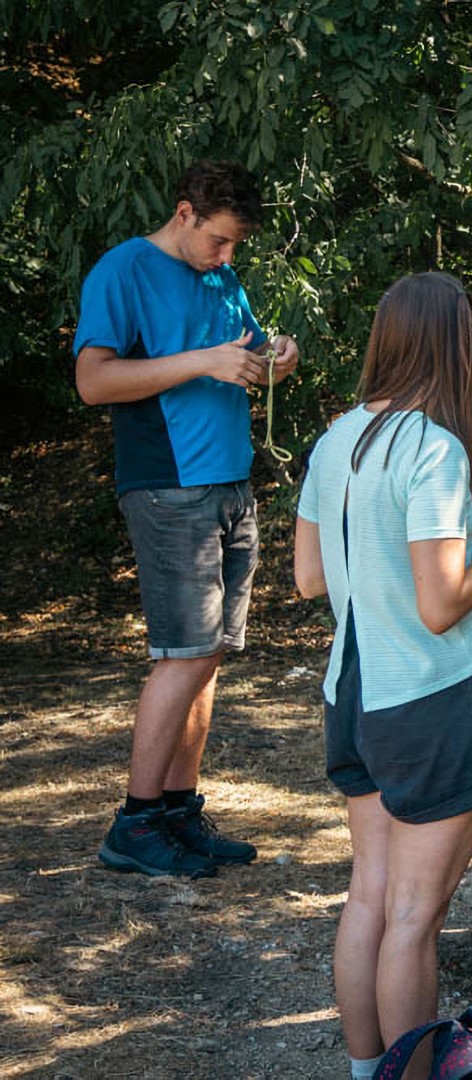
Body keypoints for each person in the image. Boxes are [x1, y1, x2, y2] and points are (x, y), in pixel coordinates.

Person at [294, 272, 472, 1080]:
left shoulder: (335, 439)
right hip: (429, 699)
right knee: (412, 917)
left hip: (353, 693)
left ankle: (369, 1072)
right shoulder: (432, 448)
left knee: (369, 899)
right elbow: (439, 608)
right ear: (453, 344)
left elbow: (308, 577)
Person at [74, 159, 299, 879]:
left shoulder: (219, 278)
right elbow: (93, 381)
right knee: (182, 654)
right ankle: (134, 823)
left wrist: (277, 359)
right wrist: (201, 360)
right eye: (221, 242)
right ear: (185, 214)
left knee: (208, 657)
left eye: (236, 247)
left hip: (231, 481)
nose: (228, 258)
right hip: (170, 487)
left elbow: (245, 356)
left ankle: (177, 810)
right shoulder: (123, 270)